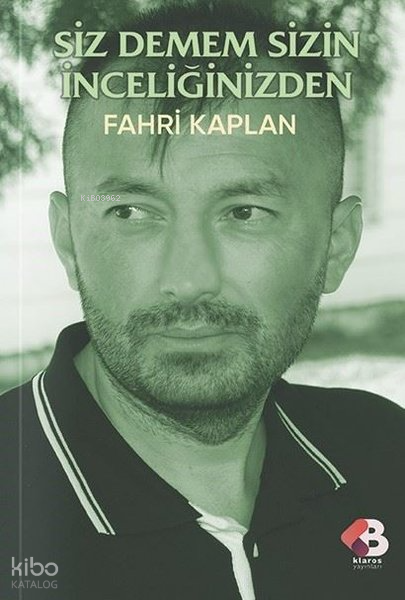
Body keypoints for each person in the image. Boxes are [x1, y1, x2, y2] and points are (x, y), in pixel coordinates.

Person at [1, 3, 404, 599]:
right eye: (131, 212)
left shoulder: (387, 456)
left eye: (244, 213)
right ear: (69, 242)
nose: (188, 280)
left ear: (337, 246)